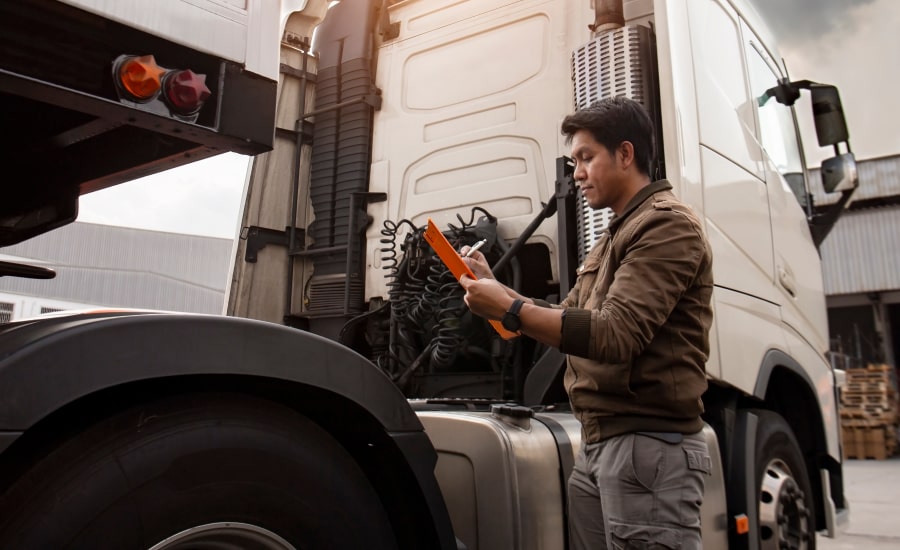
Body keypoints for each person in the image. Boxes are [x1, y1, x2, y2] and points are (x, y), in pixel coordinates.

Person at [459, 96, 714, 549]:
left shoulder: (666, 227)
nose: (576, 173)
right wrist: (498, 288)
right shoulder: (617, 233)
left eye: (585, 157)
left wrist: (508, 310)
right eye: (573, 159)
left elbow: (616, 334)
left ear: (625, 154)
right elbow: (568, 316)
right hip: (602, 445)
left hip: (647, 447)